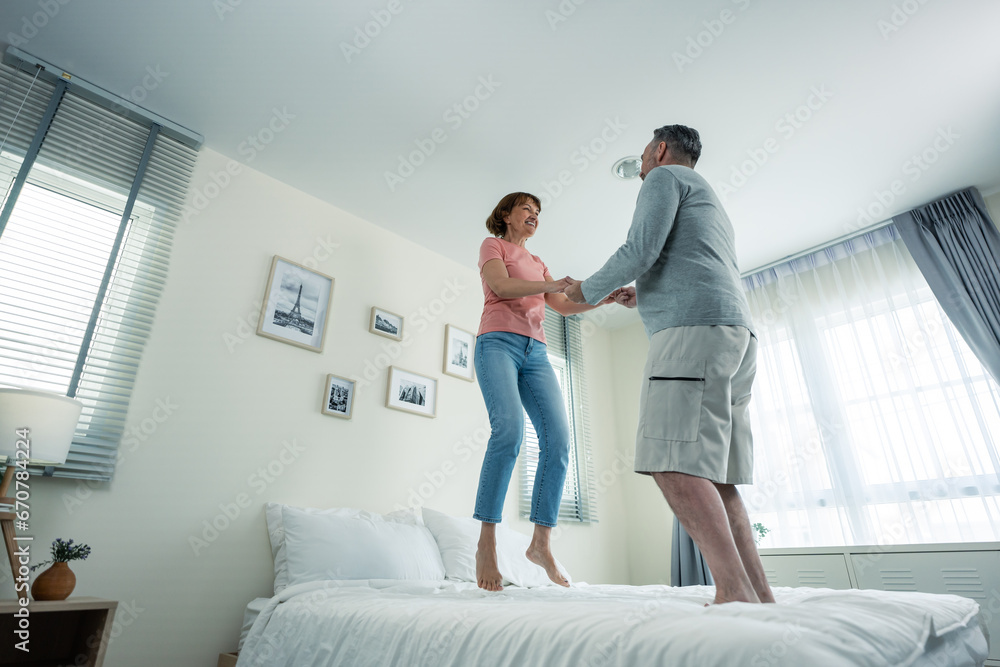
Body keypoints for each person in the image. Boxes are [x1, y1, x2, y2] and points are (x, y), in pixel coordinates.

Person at [565, 125, 775, 605]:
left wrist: (584, 290)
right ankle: (758, 594)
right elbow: (694, 261)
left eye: (643, 153)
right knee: (717, 477)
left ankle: (733, 592)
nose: (641, 163)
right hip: (732, 334)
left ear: (659, 149)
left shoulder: (664, 179)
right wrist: (644, 296)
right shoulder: (709, 197)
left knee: (671, 463)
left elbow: (640, 249)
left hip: (692, 333)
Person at [474, 192, 621, 592]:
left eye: (538, 213)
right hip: (497, 343)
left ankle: (541, 544)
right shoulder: (495, 245)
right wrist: (552, 283)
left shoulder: (538, 263)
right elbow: (502, 286)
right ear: (506, 215)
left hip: (536, 352)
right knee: (508, 432)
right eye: (527, 209)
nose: (534, 216)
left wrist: (604, 298)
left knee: (558, 442)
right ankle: (487, 542)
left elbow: (562, 306)